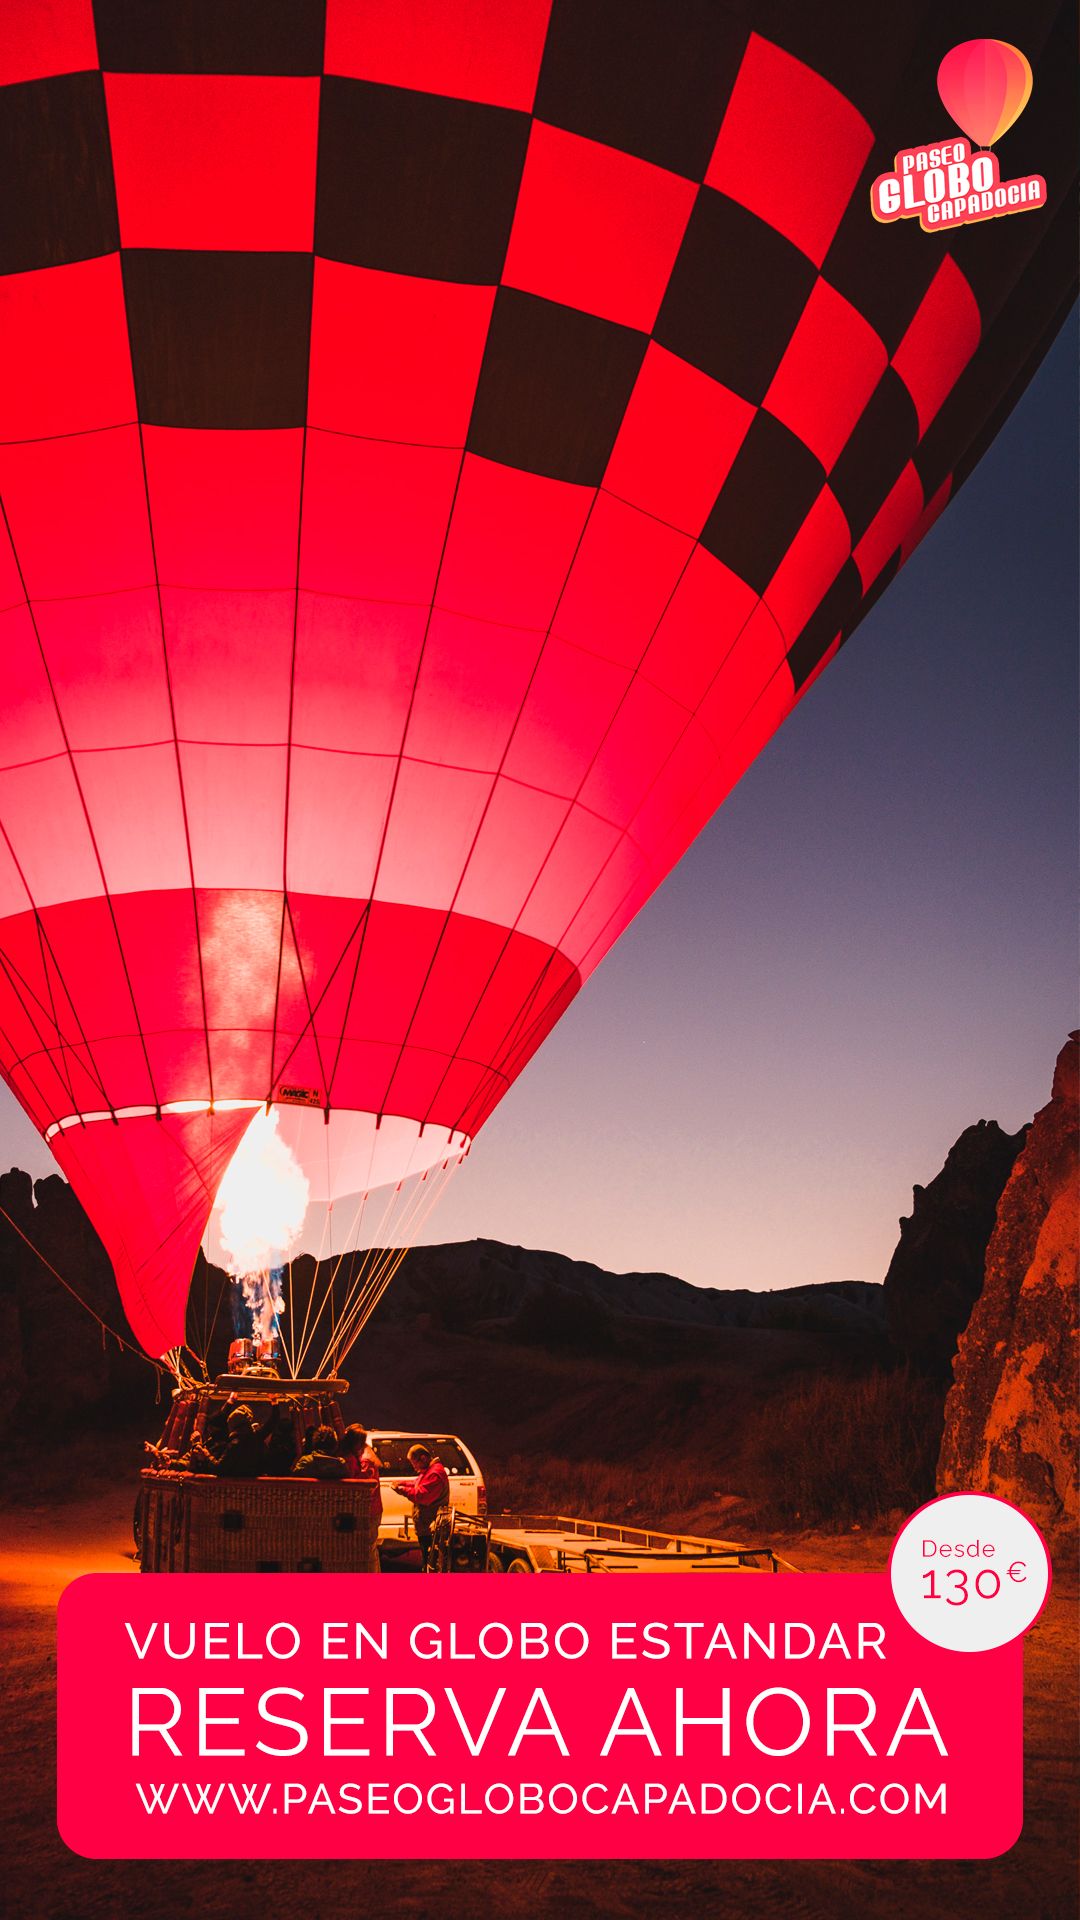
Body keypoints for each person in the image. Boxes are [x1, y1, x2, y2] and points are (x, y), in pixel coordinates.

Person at [393, 1443, 450, 1571]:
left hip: (431, 1528)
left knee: (431, 1563)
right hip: (426, 1526)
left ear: (423, 1458)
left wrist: (402, 1490)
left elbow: (422, 1496)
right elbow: (418, 1483)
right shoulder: (429, 1471)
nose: (414, 1467)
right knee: (427, 1560)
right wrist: (402, 1483)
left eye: (414, 1463)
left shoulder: (435, 1474)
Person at [342, 1424, 383, 1573]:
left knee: (367, 1549)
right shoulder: (366, 1454)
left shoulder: (365, 1460)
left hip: (370, 1511)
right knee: (371, 1549)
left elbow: (362, 1485)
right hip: (373, 1509)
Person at [211, 1404, 265, 1478]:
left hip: (233, 1486)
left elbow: (220, 1469)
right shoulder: (256, 1440)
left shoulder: (235, 1443)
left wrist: (205, 1455)